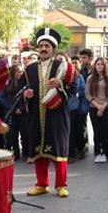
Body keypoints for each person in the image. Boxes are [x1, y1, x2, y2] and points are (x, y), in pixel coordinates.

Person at [21, 28, 76, 198]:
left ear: (53, 48)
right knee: (39, 151)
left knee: (58, 150)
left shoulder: (62, 66)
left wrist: (60, 85)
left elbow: (72, 88)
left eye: (47, 46)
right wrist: (26, 95)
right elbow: (21, 88)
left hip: (56, 114)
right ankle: (41, 184)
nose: (44, 49)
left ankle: (61, 185)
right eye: (41, 46)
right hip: (36, 115)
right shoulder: (29, 69)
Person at [86, 57, 108, 163]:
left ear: (105, 66)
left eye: (102, 64)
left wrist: (103, 106)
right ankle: (98, 152)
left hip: (107, 107)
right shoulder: (90, 78)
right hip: (94, 107)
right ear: (95, 66)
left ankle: (107, 152)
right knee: (97, 131)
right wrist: (97, 106)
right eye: (98, 64)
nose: (100, 66)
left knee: (106, 130)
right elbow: (87, 94)